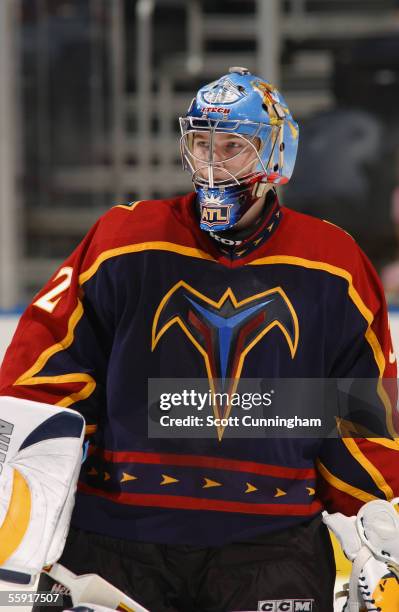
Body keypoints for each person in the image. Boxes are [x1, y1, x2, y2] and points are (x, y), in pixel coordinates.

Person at [0, 67, 399, 612]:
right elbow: (43, 370)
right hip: (120, 541)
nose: (212, 162)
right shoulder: (125, 239)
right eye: (201, 143)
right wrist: (17, 485)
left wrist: (377, 509)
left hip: (271, 547)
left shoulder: (333, 263)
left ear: (274, 155)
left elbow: (358, 411)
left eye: (233, 146)